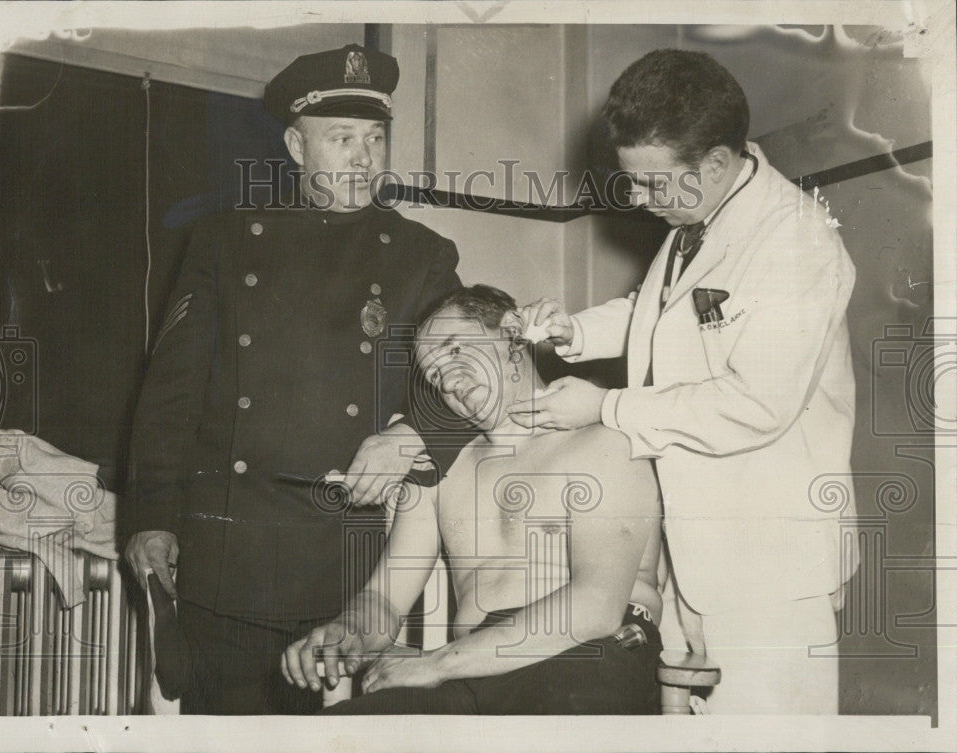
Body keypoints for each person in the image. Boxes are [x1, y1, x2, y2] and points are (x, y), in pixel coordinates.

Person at [510, 50, 858, 714]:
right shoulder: (697, 217)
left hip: (768, 566)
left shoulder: (795, 243)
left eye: (652, 184)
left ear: (718, 164)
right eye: (631, 181)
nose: (638, 200)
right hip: (695, 553)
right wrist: (571, 333)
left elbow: (757, 404)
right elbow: (661, 315)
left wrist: (606, 405)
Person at [123, 44, 462, 714]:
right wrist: (151, 516)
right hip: (233, 559)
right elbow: (171, 394)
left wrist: (413, 435)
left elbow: (474, 376)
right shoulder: (222, 240)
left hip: (349, 565)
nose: (364, 160)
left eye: (374, 139)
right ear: (295, 147)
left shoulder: (423, 255)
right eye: (341, 140)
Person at [282, 285, 664, 714]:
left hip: (587, 656)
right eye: (434, 375)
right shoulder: (440, 472)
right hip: (473, 667)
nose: (449, 380)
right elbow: (386, 599)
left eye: (457, 350)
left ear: (512, 334)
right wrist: (347, 630)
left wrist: (437, 663)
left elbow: (596, 606)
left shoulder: (604, 442)